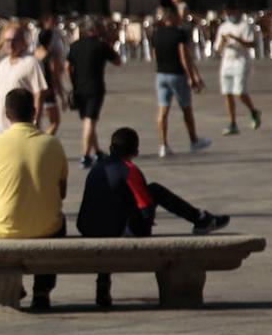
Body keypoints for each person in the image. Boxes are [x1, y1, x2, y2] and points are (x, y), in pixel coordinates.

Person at [78, 127, 231, 308]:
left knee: (111, 217)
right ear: (135, 152)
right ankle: (202, 219)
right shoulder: (130, 170)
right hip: (112, 231)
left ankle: (103, 285)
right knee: (154, 190)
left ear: (111, 148)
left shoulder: (97, 169)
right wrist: (147, 221)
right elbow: (144, 209)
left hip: (88, 228)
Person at [0, 89, 67, 311]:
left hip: (3, 226)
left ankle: (6, 283)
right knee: (60, 222)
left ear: (7, 114)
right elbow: (61, 193)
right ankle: (42, 291)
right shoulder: (53, 144)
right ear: (35, 112)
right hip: (46, 227)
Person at [151, 7, 210, 158]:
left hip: (161, 74)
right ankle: (193, 140)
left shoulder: (156, 34)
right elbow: (184, 57)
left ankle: (163, 145)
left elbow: (154, 55)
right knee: (186, 109)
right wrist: (191, 77)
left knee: (162, 111)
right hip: (177, 75)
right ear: (172, 18)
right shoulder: (179, 34)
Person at [65, 18, 121, 167]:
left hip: (79, 88)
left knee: (87, 121)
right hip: (95, 88)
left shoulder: (75, 46)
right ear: (96, 30)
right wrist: (111, 44)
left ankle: (97, 152)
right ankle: (85, 156)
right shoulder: (101, 45)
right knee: (90, 121)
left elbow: (66, 66)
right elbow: (118, 61)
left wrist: (73, 82)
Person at [0, 24, 48, 136]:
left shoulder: (31, 63)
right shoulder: (2, 65)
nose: (10, 44)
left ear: (22, 42)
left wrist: (35, 121)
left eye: (14, 40)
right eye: (7, 40)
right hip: (0, 126)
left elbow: (40, 94)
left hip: (22, 127)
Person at [213, 7, 262, 135]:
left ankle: (253, 111)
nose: (229, 15)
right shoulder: (223, 27)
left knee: (239, 92)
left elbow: (252, 44)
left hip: (241, 61)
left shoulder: (245, 26)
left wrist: (237, 39)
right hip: (226, 62)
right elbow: (218, 49)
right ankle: (232, 123)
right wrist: (223, 42)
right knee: (227, 93)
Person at [34, 15, 67, 135]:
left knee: (36, 123)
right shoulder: (51, 57)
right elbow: (55, 77)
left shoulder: (34, 56)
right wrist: (63, 97)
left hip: (34, 92)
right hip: (47, 91)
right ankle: (44, 142)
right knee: (55, 121)